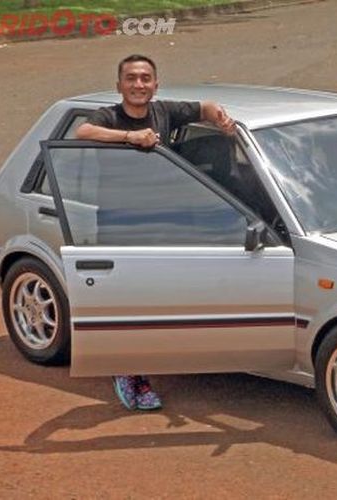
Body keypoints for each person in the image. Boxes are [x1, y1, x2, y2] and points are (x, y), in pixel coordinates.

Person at [76, 54, 237, 411]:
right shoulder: (108, 117)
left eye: (145, 78)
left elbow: (205, 106)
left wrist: (220, 117)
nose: (139, 84)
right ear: (119, 85)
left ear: (155, 84)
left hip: (161, 221)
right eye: (131, 78)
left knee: (154, 301)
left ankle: (142, 365)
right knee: (127, 303)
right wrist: (130, 137)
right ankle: (128, 372)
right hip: (119, 225)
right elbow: (82, 133)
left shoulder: (165, 111)